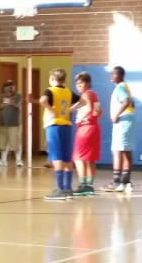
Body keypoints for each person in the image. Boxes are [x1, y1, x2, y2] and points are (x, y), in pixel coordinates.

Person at [40, 68, 80, 200]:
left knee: (56, 156)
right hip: (67, 126)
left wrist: (50, 110)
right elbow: (83, 101)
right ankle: (68, 188)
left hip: (54, 126)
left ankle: (60, 188)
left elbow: (42, 101)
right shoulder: (68, 92)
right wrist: (70, 109)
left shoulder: (50, 90)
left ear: (52, 79)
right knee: (67, 158)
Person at [103, 66, 135, 193]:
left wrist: (116, 114)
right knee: (126, 150)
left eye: (113, 74)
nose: (111, 76)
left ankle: (116, 182)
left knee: (117, 150)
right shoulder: (124, 86)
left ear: (120, 75)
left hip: (123, 120)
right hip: (128, 119)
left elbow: (126, 101)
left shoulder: (120, 87)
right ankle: (125, 181)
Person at [71, 72, 102, 196]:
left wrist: (81, 118)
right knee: (90, 158)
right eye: (77, 84)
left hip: (85, 129)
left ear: (87, 83)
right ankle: (89, 185)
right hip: (94, 128)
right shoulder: (94, 95)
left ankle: (83, 184)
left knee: (78, 157)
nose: (78, 86)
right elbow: (98, 111)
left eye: (81, 83)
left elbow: (89, 108)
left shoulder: (86, 94)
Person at [0, 80, 23, 167]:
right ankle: (3, 160)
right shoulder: (2, 96)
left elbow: (17, 105)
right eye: (7, 86)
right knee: (3, 142)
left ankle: (18, 160)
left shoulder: (18, 95)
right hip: (3, 122)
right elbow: (0, 107)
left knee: (15, 142)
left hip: (14, 122)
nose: (10, 88)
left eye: (11, 86)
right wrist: (3, 105)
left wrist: (11, 101)